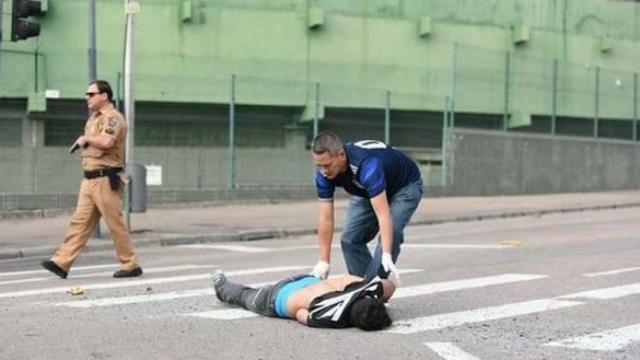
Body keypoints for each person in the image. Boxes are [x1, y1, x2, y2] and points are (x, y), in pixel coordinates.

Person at [40, 80, 143, 279]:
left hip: (106, 179)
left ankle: (130, 264)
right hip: (89, 180)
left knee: (115, 224)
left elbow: (106, 141)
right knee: (79, 222)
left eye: (92, 94)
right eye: (87, 94)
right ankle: (62, 262)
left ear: (104, 96)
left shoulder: (113, 118)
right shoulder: (93, 119)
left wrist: (86, 139)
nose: (88, 97)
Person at [309, 131, 423, 282]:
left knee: (391, 232)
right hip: (368, 189)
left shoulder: (367, 165)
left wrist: (387, 254)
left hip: (404, 186)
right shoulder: (324, 175)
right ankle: (363, 288)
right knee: (350, 239)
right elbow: (326, 218)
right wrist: (324, 261)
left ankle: (375, 285)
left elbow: (383, 214)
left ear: (341, 155)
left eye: (327, 165)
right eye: (319, 166)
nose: (324, 171)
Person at [211, 270, 395, 330]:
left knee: (246, 296)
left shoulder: (364, 287)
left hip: (307, 278)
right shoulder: (329, 316)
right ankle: (221, 285)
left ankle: (222, 286)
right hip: (276, 297)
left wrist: (381, 296)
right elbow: (300, 313)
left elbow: (389, 285)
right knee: (244, 296)